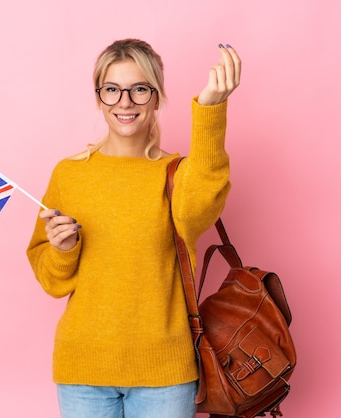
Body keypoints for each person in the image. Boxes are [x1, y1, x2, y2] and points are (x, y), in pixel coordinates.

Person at [26, 38, 241, 418]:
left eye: (139, 89)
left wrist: (210, 109)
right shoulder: (70, 174)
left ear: (157, 98)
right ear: (99, 98)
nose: (125, 102)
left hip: (165, 375)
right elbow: (51, 281)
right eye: (112, 90)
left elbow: (202, 206)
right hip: (83, 372)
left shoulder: (178, 174)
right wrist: (63, 250)